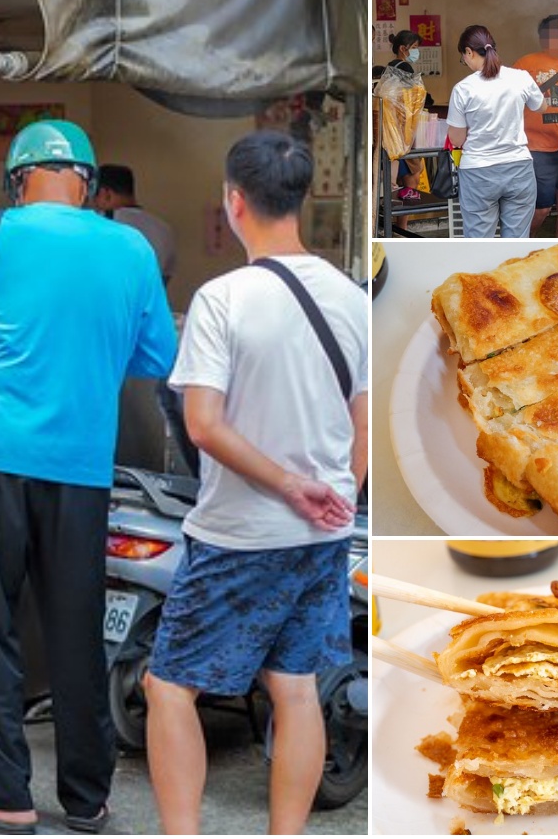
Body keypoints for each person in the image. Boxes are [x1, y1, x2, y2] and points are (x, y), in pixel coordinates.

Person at [0, 120, 176, 835]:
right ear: (90, 185)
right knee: (75, 630)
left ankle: (6, 796)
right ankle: (86, 799)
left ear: (17, 178)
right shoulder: (130, 246)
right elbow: (155, 358)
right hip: (80, 467)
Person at [145, 131, 366, 835]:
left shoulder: (222, 299)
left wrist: (290, 485)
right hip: (322, 537)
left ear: (234, 201)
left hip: (240, 534)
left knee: (169, 684)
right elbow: (363, 424)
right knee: (296, 690)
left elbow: (202, 424)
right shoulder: (352, 298)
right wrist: (337, 495)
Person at [447, 25, 545, 237]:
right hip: (519, 168)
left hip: (478, 172)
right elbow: (541, 106)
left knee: (479, 241)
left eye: (463, 57)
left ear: (469, 52)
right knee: (516, 243)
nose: (465, 61)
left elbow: (456, 138)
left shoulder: (463, 89)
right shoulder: (520, 78)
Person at [514, 14, 558, 238]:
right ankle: (520, 250)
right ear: (544, 38)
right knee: (539, 209)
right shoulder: (525, 64)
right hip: (536, 149)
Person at [373, 30, 434, 208]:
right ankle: (401, 226)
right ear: (403, 48)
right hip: (401, 130)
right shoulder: (404, 68)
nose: (416, 51)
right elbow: (411, 100)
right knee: (413, 174)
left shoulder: (390, 66)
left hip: (388, 129)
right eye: (414, 48)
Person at [93, 164, 178, 284]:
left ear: (106, 194)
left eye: (94, 198)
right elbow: (165, 279)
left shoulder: (103, 222)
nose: (94, 204)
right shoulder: (164, 229)